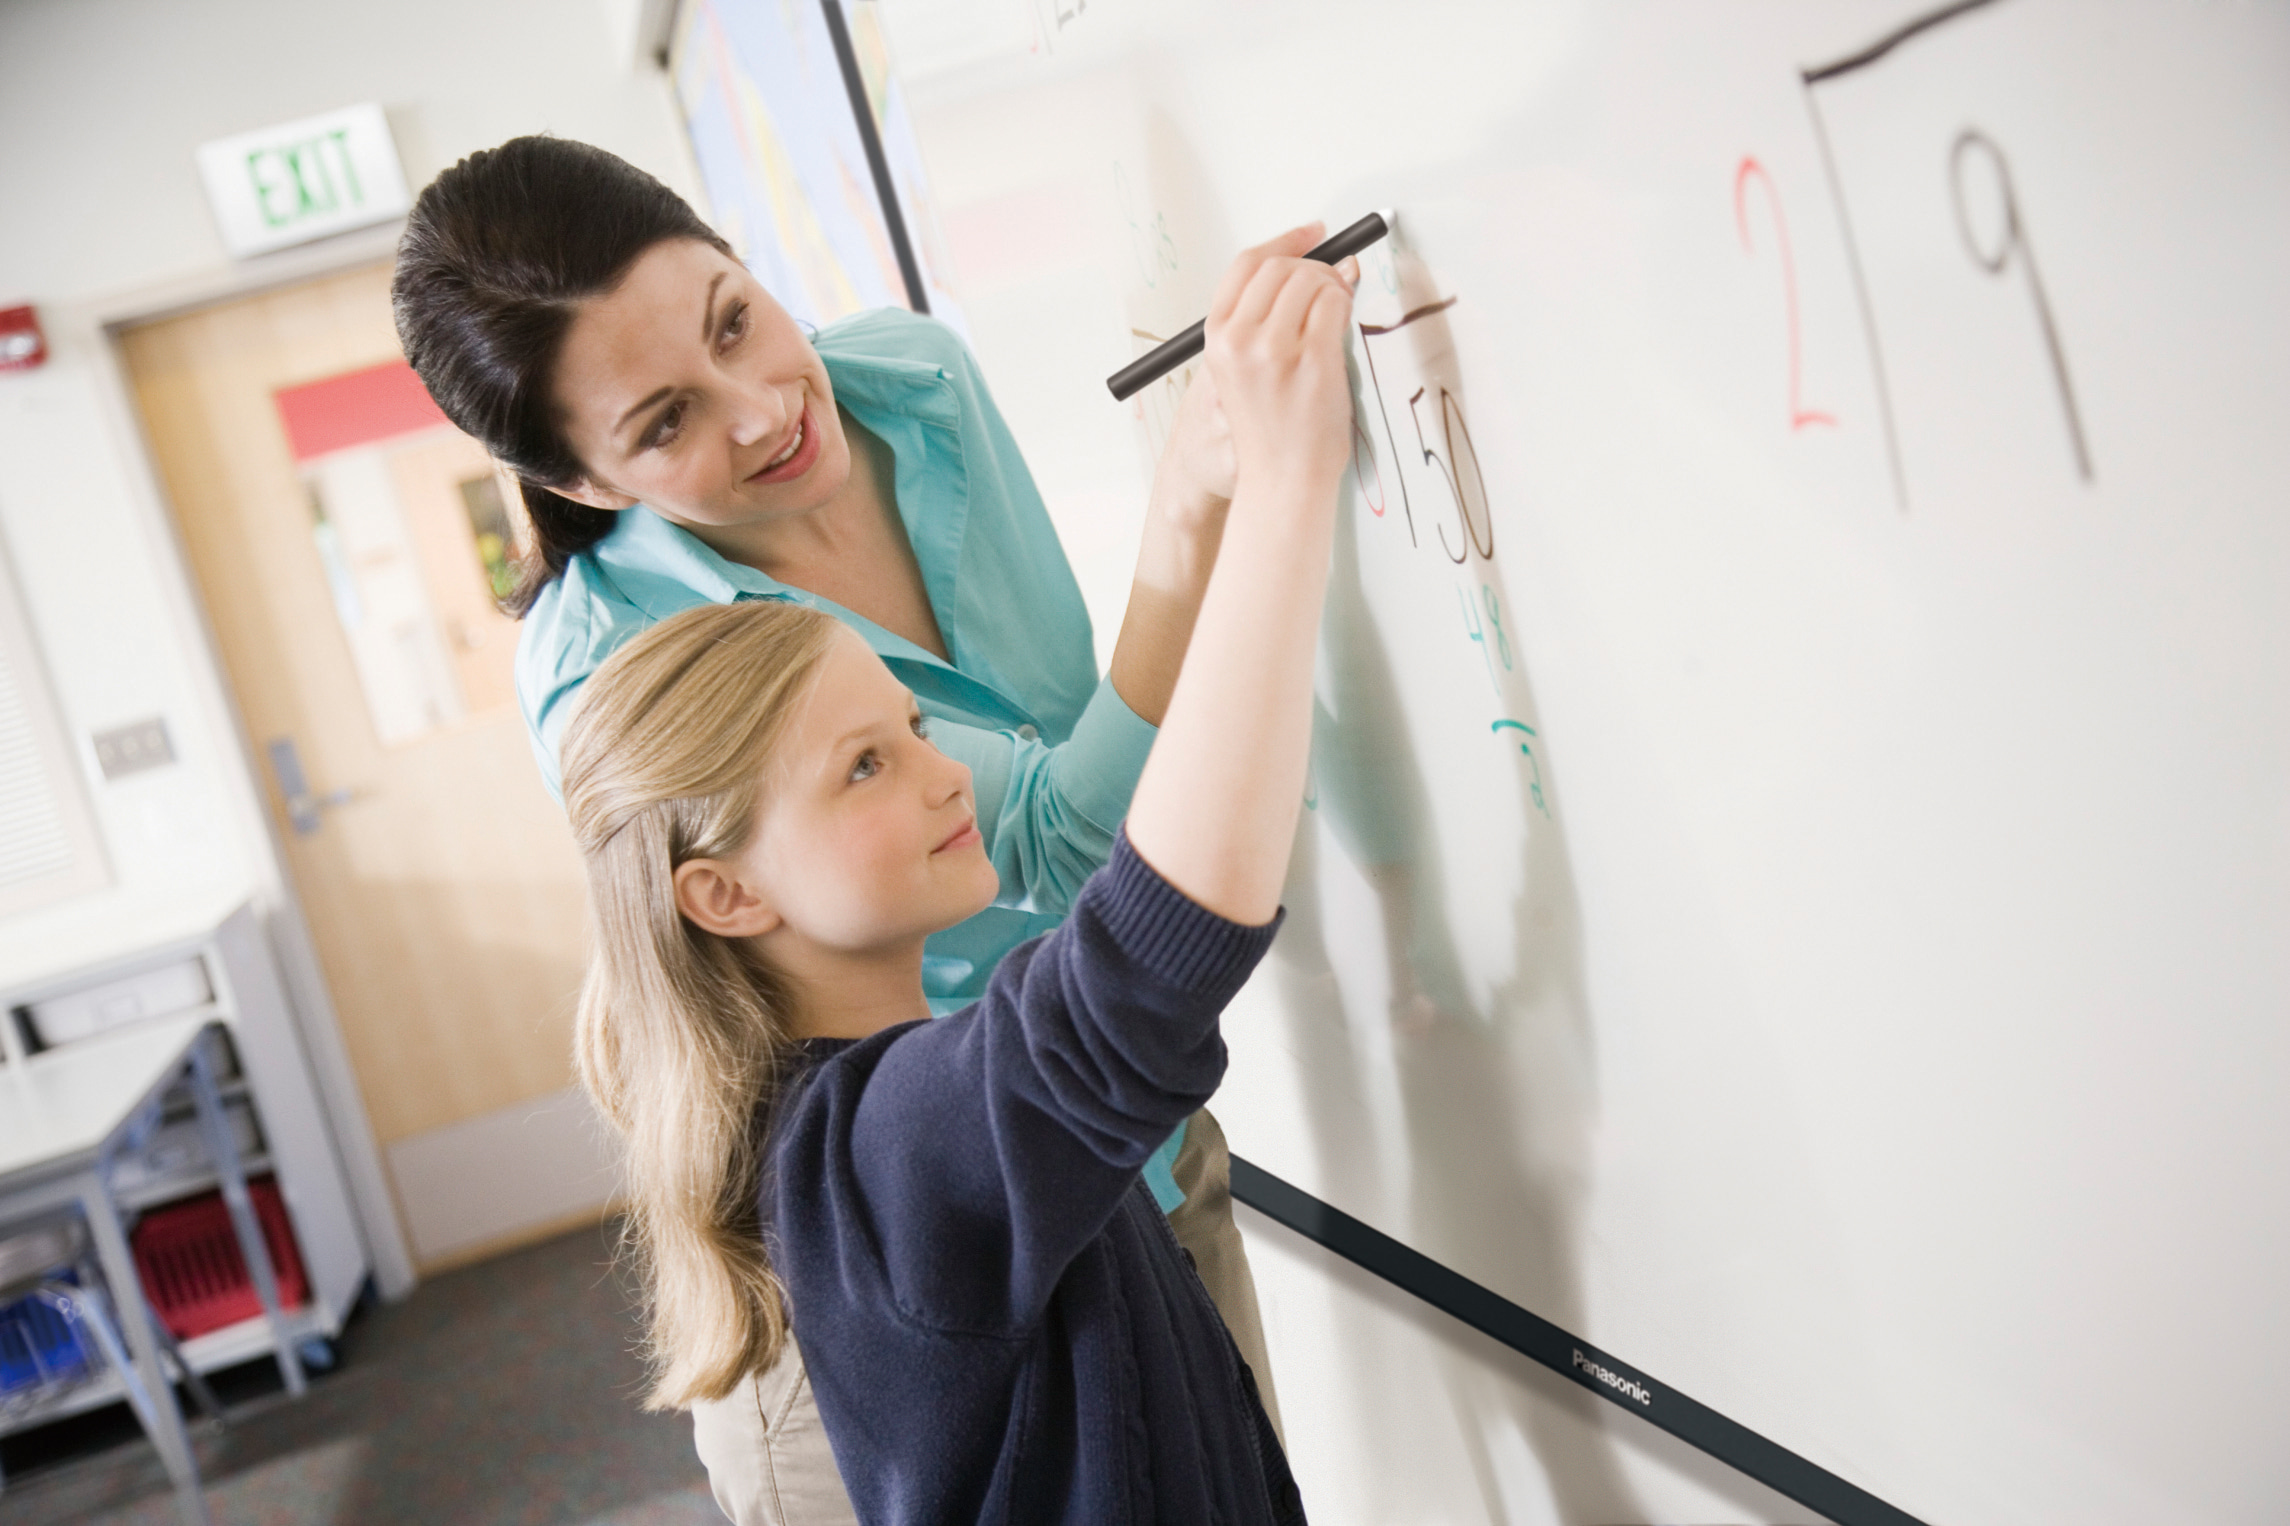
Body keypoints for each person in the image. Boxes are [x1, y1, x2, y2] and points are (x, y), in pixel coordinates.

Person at [390, 137, 1298, 1515]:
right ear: (580, 485)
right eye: (664, 421)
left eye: (736, 317)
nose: (760, 409)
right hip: (896, 1256)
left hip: (1120, 1147)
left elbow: (1074, 772)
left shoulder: (912, 378)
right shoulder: (621, 664)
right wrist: (1217, 509)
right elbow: (1056, 839)